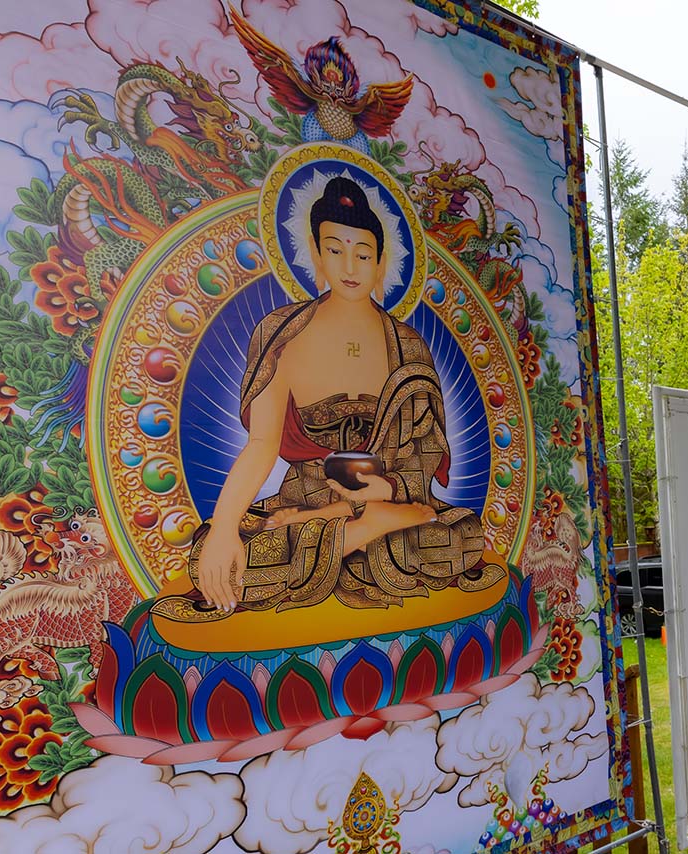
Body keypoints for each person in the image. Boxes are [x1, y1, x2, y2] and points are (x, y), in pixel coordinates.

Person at [151, 175, 500, 623]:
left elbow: (426, 447)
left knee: (464, 534)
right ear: (316, 255)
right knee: (212, 556)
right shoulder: (281, 334)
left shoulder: (408, 345)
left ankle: (364, 527)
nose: (350, 266)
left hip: (389, 498)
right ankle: (359, 532)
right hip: (307, 499)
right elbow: (261, 446)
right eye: (335, 250)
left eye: (363, 254)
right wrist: (223, 529)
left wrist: (388, 490)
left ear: (380, 264)